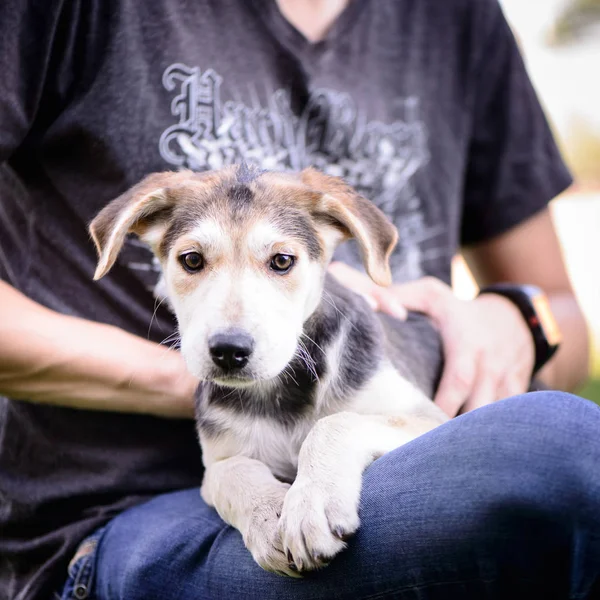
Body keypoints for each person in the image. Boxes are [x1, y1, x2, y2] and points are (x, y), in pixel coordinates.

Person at [0, 0, 597, 599]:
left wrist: (519, 320)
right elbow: (225, 470)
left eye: (280, 261)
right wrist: (189, 392)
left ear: (343, 242)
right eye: (193, 261)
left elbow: (560, 315)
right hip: (121, 513)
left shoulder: (456, 18)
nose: (231, 322)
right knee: (557, 449)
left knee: (561, 445)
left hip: (394, 462)